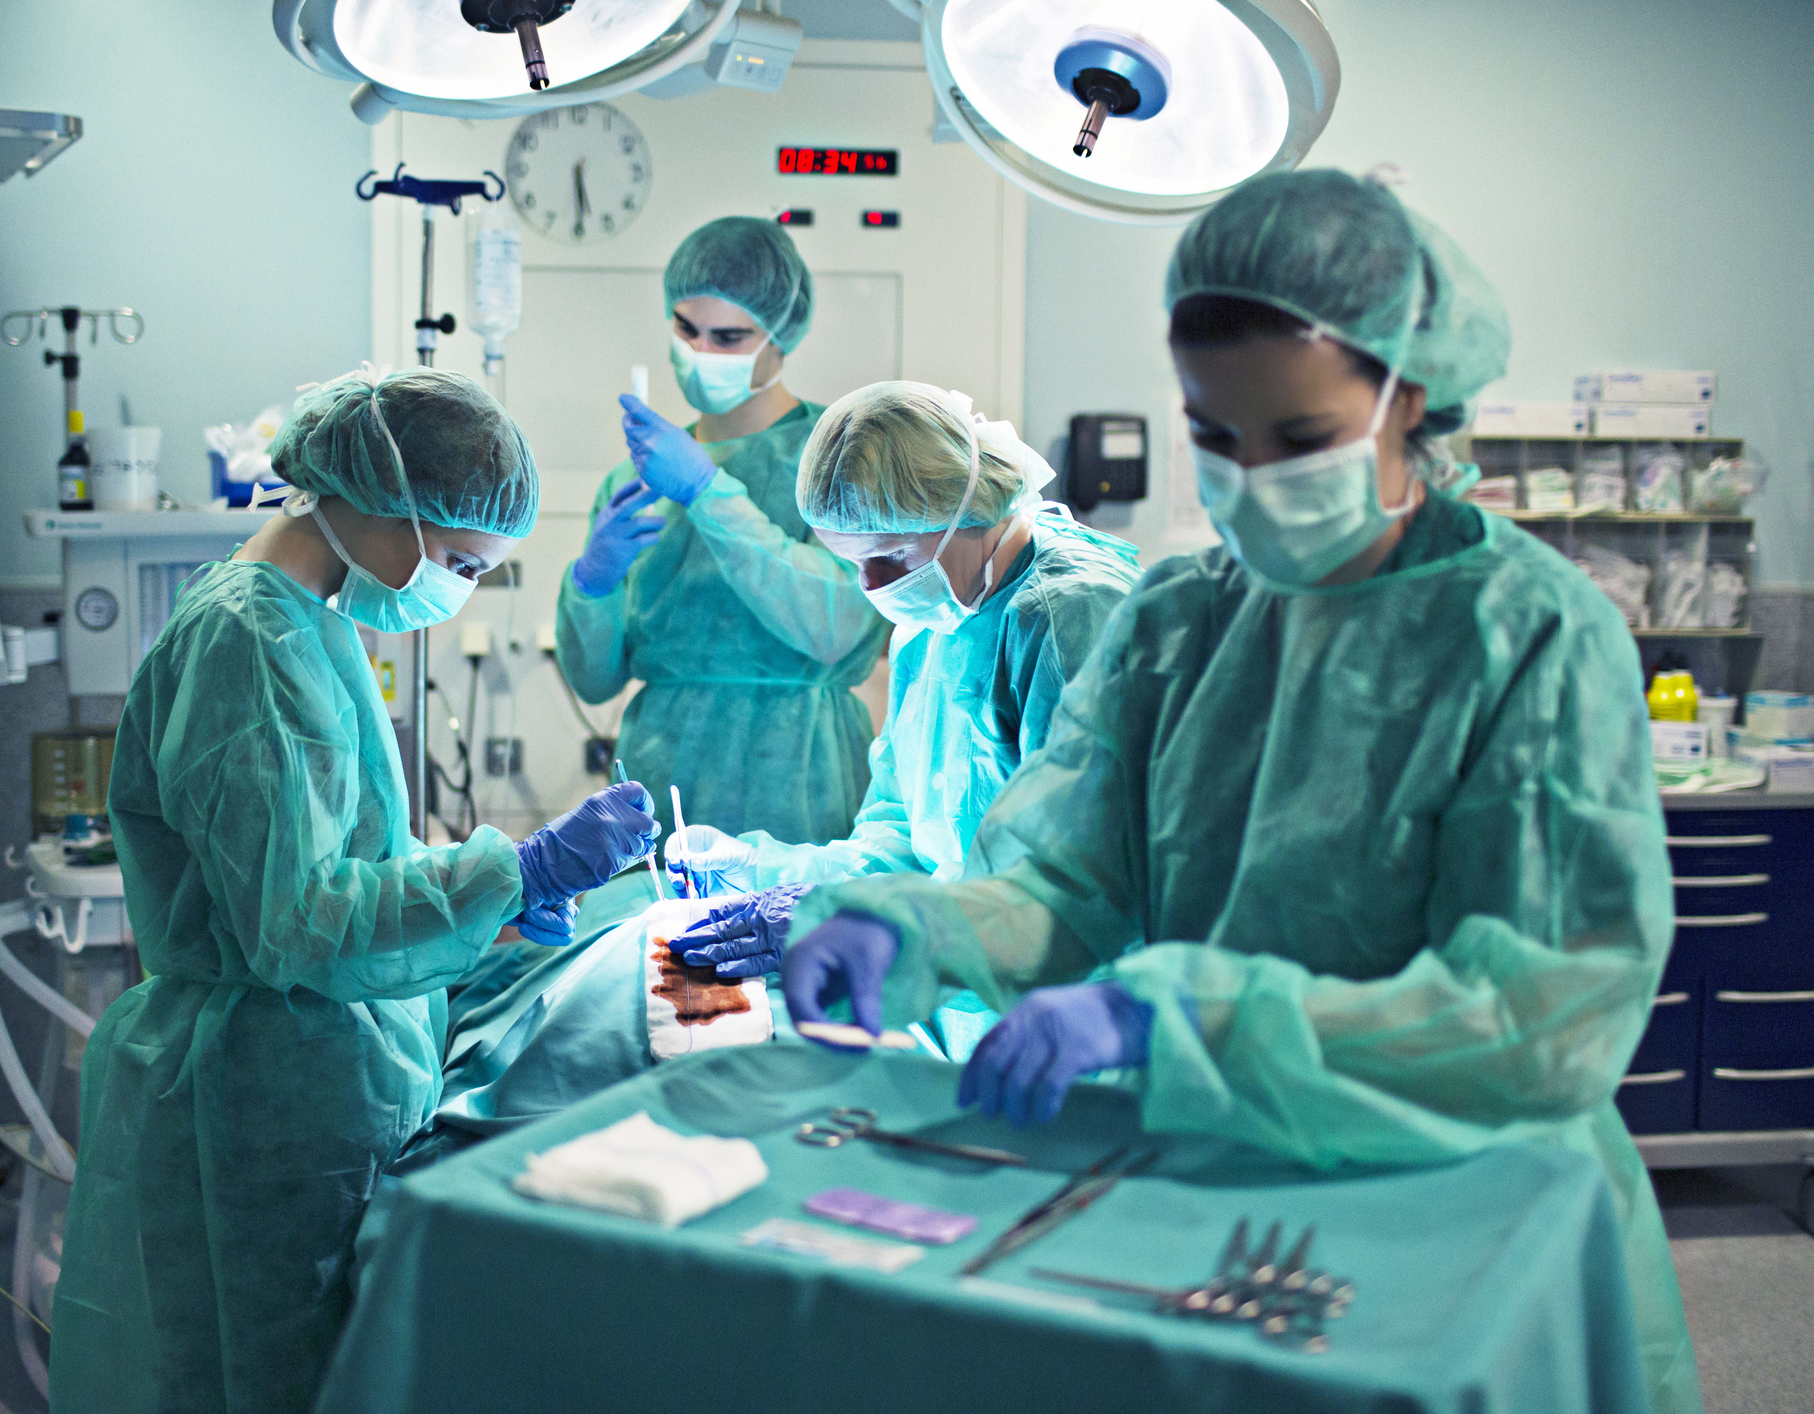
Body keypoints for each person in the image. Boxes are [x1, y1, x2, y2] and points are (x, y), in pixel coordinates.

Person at [780, 171, 1699, 1413]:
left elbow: (1540, 1019)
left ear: (1407, 396)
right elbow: (1066, 881)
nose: (1253, 476)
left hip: (1464, 1200)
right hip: (1218, 1170)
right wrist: (916, 926)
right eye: (1214, 438)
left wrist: (1190, 1019)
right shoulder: (1179, 621)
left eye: (1302, 439)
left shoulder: (1527, 633)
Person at [48, 368, 659, 1414]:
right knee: (273, 1377)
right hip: (263, 1091)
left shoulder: (305, 621)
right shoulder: (250, 642)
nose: (457, 586)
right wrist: (517, 867)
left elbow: (337, 857)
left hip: (312, 1066)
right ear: (383, 502)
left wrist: (496, 898)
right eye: (461, 560)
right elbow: (299, 917)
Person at [659, 381, 1142, 1060]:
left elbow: (1079, 901)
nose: (870, 586)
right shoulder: (934, 624)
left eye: (890, 557)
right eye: (851, 562)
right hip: (963, 1017)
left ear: (967, 509)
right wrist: (773, 873)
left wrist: (861, 928)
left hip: (1075, 1037)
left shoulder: (1070, 618)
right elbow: (901, 842)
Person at [556, 215, 888, 857]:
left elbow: (837, 624)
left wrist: (708, 492)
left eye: (730, 336)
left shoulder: (839, 456)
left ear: (782, 336)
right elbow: (596, 683)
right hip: (660, 779)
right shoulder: (636, 479)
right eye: (686, 329)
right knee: (656, 953)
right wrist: (590, 584)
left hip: (799, 783)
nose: (701, 351)